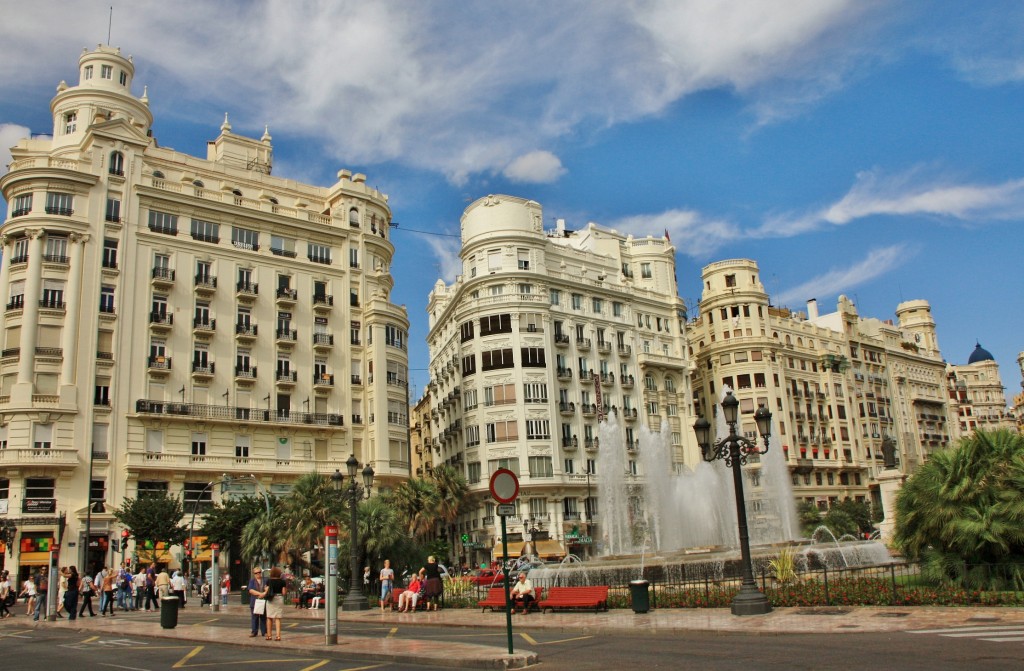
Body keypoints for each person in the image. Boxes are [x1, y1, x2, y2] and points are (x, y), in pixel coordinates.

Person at [262, 567, 287, 641]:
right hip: (279, 598)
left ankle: (269, 635)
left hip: (271, 599)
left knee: (269, 617)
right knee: (278, 618)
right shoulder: (282, 582)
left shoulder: (268, 581)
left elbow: (266, 590)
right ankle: (278, 636)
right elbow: (284, 593)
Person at [247, 567, 267, 638]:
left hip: (263, 601)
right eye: (256, 573)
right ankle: (254, 632)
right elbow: (250, 590)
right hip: (254, 601)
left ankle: (264, 632)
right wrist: (260, 594)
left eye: (259, 572)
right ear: (254, 574)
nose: (258, 574)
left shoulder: (265, 580)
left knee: (263, 617)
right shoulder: (252, 581)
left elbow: (268, 588)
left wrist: (264, 594)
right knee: (254, 618)